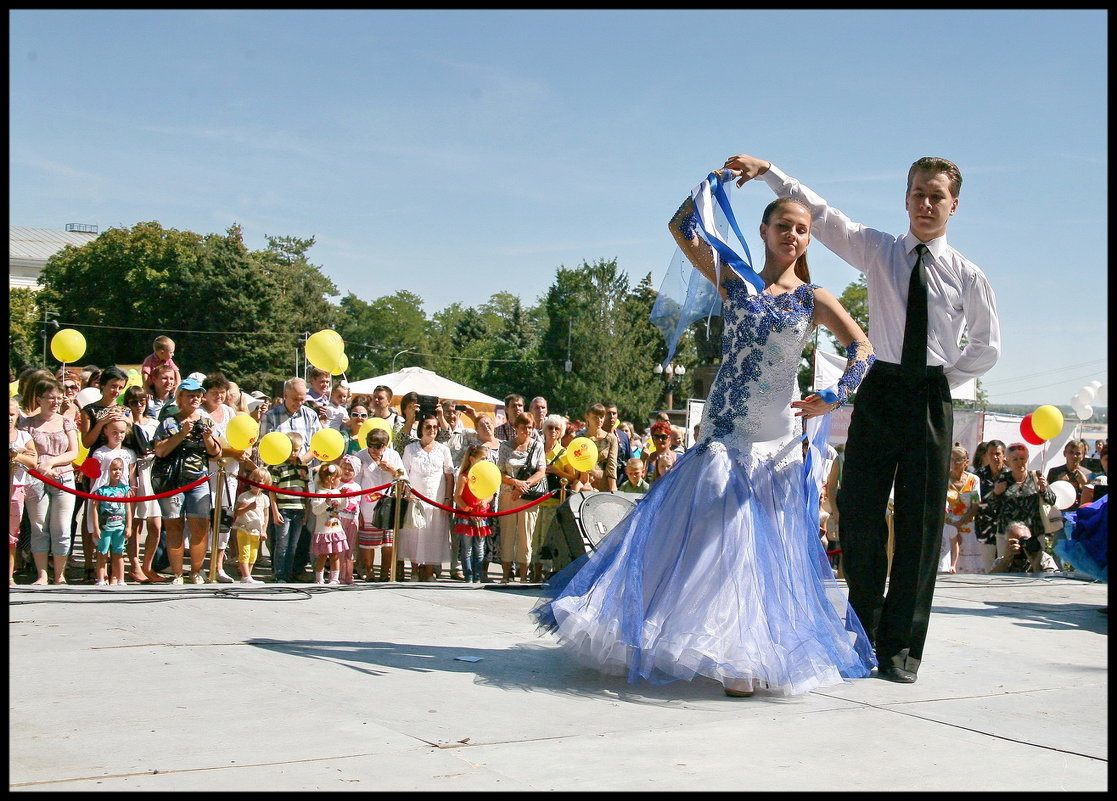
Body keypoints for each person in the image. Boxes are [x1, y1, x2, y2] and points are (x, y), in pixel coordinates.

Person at [533, 168, 878, 697]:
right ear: (764, 231)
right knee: (709, 540)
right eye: (783, 226)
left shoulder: (813, 298)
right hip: (724, 428)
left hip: (776, 437)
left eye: (802, 230)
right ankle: (676, 636)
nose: (793, 236)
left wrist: (833, 395)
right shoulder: (734, 279)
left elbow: (864, 349)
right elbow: (681, 225)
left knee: (764, 547)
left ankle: (751, 653)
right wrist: (712, 181)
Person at [724, 152, 1000, 684]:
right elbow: (823, 217)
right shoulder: (879, 251)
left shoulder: (967, 275)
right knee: (859, 513)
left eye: (936, 196)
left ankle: (902, 648)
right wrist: (771, 173)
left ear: (953, 206)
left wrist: (942, 380)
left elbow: (988, 346)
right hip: (878, 388)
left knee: (920, 527)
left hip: (930, 394)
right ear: (905, 197)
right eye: (917, 192)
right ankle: (864, 635)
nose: (925, 203)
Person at [152, 378, 220, 584]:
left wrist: (207, 438)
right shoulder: (169, 421)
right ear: (180, 397)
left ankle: (196, 571)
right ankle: (178, 573)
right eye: (190, 395)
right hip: (172, 481)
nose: (195, 399)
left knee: (200, 526)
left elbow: (215, 454)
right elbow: (160, 450)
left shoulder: (206, 421)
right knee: (174, 526)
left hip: (198, 479)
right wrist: (182, 434)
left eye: (198, 395)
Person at [19, 378, 79, 585]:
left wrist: (52, 462)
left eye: (58, 398)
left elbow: (74, 452)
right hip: (36, 480)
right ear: (39, 399)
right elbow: (25, 452)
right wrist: (41, 466)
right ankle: (42, 574)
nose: (55, 402)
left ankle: (60, 574)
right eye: (50, 398)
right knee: (39, 526)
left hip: (64, 478)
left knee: (61, 527)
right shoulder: (27, 423)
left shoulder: (66, 421)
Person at [399, 413, 455, 582]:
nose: (432, 430)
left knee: (433, 533)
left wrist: (447, 499)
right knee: (414, 534)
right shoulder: (411, 449)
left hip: (436, 499)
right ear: (421, 429)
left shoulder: (443, 449)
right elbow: (403, 473)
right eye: (428, 426)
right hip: (415, 497)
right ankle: (414, 571)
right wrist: (408, 494)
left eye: (435, 427)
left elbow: (449, 475)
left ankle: (429, 571)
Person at [530, 414, 583, 582]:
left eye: (557, 428)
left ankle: (545, 572)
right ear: (544, 430)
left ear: (561, 432)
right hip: (535, 500)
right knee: (534, 537)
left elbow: (573, 477)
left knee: (548, 537)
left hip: (553, 501)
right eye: (550, 427)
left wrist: (556, 471)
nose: (553, 431)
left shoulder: (565, 454)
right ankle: (534, 571)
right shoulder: (536, 448)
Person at [986, 443, 1057, 566]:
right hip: (1008, 533)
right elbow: (991, 507)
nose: (1020, 462)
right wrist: (996, 493)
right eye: (1015, 459)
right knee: (1005, 565)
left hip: (1033, 532)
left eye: (1022, 458)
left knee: (1036, 565)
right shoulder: (1003, 478)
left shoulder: (1036, 477)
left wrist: (1044, 489)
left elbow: (1052, 500)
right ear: (1008, 462)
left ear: (1027, 459)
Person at [120, 385, 163, 583]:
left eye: (142, 402)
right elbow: (140, 448)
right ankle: (134, 565)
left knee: (155, 523)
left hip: (152, 473)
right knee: (134, 523)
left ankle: (148, 566)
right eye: (134, 402)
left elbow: (154, 447)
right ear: (127, 404)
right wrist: (131, 423)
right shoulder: (126, 425)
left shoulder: (154, 423)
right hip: (134, 473)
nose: (138, 406)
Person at [497, 413, 547, 583]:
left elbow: (541, 470)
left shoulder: (537, 446)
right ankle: (505, 574)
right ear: (516, 428)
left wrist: (525, 484)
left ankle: (524, 575)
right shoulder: (505, 447)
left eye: (530, 427)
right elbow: (499, 471)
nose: (527, 430)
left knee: (526, 535)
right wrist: (514, 483)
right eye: (523, 427)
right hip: (508, 494)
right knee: (507, 534)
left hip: (529, 495)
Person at [201, 373, 239, 583]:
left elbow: (241, 437)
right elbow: (211, 446)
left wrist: (239, 451)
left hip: (230, 472)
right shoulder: (200, 413)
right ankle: (200, 565)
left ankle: (218, 566)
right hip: (207, 471)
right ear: (205, 394)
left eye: (222, 393)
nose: (219, 397)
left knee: (224, 517)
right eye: (214, 393)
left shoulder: (229, 412)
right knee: (206, 518)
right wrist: (232, 451)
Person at [356, 428, 405, 582]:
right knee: (368, 542)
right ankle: (369, 571)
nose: (373, 449)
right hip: (368, 505)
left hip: (388, 504)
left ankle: (385, 573)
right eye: (370, 445)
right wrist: (357, 510)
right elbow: (355, 484)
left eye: (377, 446)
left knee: (388, 543)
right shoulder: (361, 456)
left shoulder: (393, 455)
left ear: (385, 445)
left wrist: (392, 470)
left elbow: (404, 477)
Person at [266, 431, 310, 584]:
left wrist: (307, 511)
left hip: (299, 509)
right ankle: (280, 574)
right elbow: (272, 491)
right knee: (282, 543)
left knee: (293, 545)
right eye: (290, 449)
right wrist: (275, 511)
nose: (293, 453)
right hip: (284, 509)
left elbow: (306, 490)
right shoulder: (277, 467)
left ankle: (289, 573)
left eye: (296, 450)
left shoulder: (303, 467)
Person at [452, 444, 495, 584]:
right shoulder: (464, 477)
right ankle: (468, 576)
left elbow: (491, 494)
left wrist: (485, 501)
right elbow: (457, 496)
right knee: (467, 549)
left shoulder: (485, 477)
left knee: (480, 548)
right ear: (472, 459)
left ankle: (478, 576)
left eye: (486, 459)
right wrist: (466, 509)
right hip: (467, 516)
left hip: (481, 515)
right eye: (482, 459)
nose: (485, 462)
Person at [9, 397, 39, 585]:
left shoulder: (23, 436)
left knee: (12, 533)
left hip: (16, 487)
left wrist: (16, 455)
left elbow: (33, 461)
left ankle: (9, 575)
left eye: (11, 414)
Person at [89, 457, 132, 585]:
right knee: (102, 553)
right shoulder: (101, 490)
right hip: (105, 528)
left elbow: (128, 509)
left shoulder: (125, 489)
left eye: (120, 469)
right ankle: (101, 578)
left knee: (119, 553)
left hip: (119, 527)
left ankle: (120, 579)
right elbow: (95, 509)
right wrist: (96, 528)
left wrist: (129, 526)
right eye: (114, 469)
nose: (117, 472)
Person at [940, 446, 982, 574]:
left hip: (967, 526)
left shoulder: (973, 480)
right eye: (951, 459)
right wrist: (951, 526)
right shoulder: (943, 479)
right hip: (947, 526)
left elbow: (975, 505)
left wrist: (959, 524)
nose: (954, 463)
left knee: (968, 565)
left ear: (966, 462)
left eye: (958, 460)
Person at [231, 467, 274, 584]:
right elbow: (237, 512)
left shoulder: (265, 499)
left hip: (256, 530)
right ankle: (246, 576)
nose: (256, 483)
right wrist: (249, 507)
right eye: (253, 479)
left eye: (260, 480)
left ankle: (247, 575)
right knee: (244, 552)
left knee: (253, 554)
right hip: (243, 528)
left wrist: (264, 530)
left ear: (266, 483)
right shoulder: (244, 496)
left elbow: (266, 516)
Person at [308, 463, 349, 585]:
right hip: (323, 530)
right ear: (331, 479)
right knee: (322, 555)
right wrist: (326, 502)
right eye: (338, 478)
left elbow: (342, 506)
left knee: (335, 554)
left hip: (336, 529)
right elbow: (316, 510)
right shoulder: (319, 493)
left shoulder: (337, 491)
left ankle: (334, 578)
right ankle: (319, 578)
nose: (339, 481)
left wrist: (344, 496)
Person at [973, 439, 1010, 571]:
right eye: (991, 454)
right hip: (985, 529)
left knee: (1004, 567)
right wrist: (994, 493)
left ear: (1004, 455)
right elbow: (975, 502)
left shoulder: (1010, 475)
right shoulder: (977, 476)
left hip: (1005, 529)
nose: (995, 457)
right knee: (988, 568)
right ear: (986, 455)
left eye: (998, 453)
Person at [990, 521, 1057, 573]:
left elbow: (1052, 585)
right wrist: (1004, 563)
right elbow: (989, 584)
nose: (1023, 545)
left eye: (1026, 540)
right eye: (1018, 542)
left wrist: (1036, 565)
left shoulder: (1043, 558)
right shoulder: (1001, 562)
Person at [336, 456, 362, 584]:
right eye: (344, 468)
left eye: (350, 469)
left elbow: (357, 504)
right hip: (339, 518)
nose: (346, 471)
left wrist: (358, 518)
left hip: (352, 519)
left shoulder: (357, 486)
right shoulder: (335, 483)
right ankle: (337, 576)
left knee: (349, 550)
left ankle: (348, 576)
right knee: (338, 549)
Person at [582, 403, 619, 492]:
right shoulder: (580, 439)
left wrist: (613, 488)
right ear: (587, 417)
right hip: (584, 483)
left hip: (604, 484)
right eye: (595, 417)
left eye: (601, 417)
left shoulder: (611, 438)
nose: (599, 420)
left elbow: (612, 465)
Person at [1046, 439, 1091, 513]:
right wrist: (1060, 483)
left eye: (1078, 453)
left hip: (1079, 513)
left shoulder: (1088, 474)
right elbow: (1047, 496)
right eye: (1071, 452)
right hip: (1058, 512)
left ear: (1083, 456)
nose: (1074, 456)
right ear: (1064, 453)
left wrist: (1085, 485)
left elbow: (1091, 501)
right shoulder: (1054, 472)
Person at [643, 420, 677, 485]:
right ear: (652, 440)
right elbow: (641, 478)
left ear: (669, 439)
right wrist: (643, 459)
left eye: (663, 437)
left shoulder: (678, 458)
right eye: (656, 437)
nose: (660, 440)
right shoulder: (649, 458)